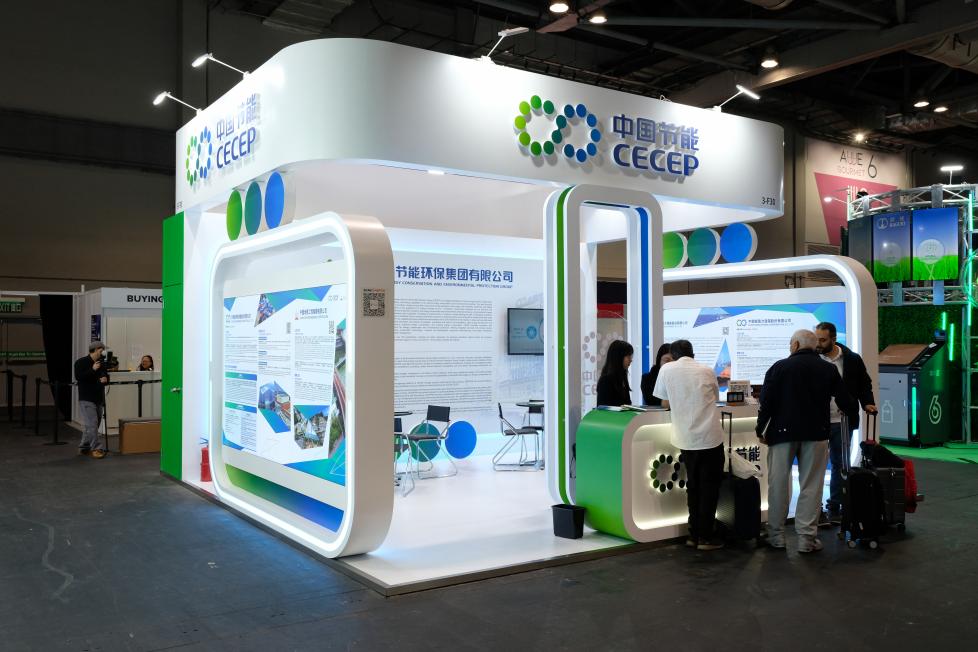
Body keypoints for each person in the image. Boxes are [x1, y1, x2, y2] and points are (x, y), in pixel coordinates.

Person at [757, 329, 854, 553]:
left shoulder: (779, 367)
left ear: (795, 345)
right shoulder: (827, 369)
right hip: (817, 433)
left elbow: (766, 401)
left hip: (782, 433)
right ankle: (806, 540)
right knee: (811, 485)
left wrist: (761, 428)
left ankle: (777, 537)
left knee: (779, 484)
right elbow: (845, 400)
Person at [652, 339, 725, 551]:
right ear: (693, 353)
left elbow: (664, 401)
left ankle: (693, 535)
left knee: (693, 486)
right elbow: (715, 397)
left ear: (673, 355)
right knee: (709, 488)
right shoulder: (706, 371)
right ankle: (705, 537)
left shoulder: (666, 370)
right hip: (710, 438)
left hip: (685, 438)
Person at [815, 321, 876, 522]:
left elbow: (864, 383)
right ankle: (815, 508)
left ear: (833, 339)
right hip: (817, 421)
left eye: (823, 340)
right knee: (814, 465)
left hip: (842, 420)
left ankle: (835, 505)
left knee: (840, 464)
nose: (818, 343)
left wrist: (867, 403)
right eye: (816, 339)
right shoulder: (813, 359)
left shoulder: (852, 359)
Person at [74, 341, 110, 459]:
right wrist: (93, 369)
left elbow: (105, 376)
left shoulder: (102, 363)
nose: (103, 352)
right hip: (86, 398)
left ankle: (84, 446)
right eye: (101, 349)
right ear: (95, 349)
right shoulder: (80, 362)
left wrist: (106, 379)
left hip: (98, 398)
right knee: (92, 424)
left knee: (92, 424)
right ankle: (96, 448)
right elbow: (79, 377)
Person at [596, 340, 634, 407]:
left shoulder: (622, 378)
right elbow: (603, 409)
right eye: (628, 356)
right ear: (618, 357)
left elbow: (627, 404)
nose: (631, 360)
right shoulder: (605, 381)